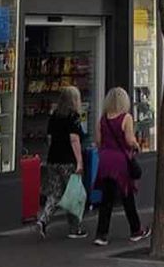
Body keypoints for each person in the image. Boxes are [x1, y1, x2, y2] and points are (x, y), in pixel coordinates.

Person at [94, 87, 150, 246]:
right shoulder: (126, 118)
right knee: (127, 196)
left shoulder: (102, 119)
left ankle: (101, 234)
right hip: (120, 161)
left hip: (105, 161)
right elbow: (129, 140)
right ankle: (136, 229)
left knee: (107, 199)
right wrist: (137, 146)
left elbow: (98, 141)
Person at [36, 85, 87, 239]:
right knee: (73, 194)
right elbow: (74, 139)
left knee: (55, 193)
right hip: (68, 160)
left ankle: (43, 219)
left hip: (53, 159)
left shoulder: (54, 116)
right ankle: (75, 228)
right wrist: (79, 162)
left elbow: (49, 138)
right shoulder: (73, 117)